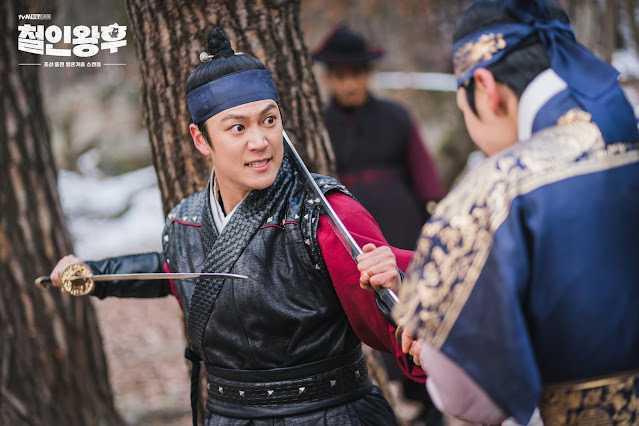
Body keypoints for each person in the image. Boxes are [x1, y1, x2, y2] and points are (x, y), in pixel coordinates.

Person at [49, 28, 426, 425]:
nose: (260, 141)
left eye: (269, 120)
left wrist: (404, 295)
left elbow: (392, 320)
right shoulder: (185, 221)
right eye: (238, 128)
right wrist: (93, 274)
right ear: (201, 139)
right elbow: (177, 271)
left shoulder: (325, 214)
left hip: (329, 415)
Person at [394, 0, 639, 425]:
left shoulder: (494, 192)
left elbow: (472, 400)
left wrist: (436, 350)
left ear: (485, 87)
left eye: (463, 107)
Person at [312, 24, 445, 251]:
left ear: (368, 74)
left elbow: (425, 177)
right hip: (345, 228)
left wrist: (436, 216)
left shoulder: (397, 116)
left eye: (356, 74)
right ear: (328, 79)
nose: (349, 85)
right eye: (340, 76)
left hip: (402, 225)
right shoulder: (318, 125)